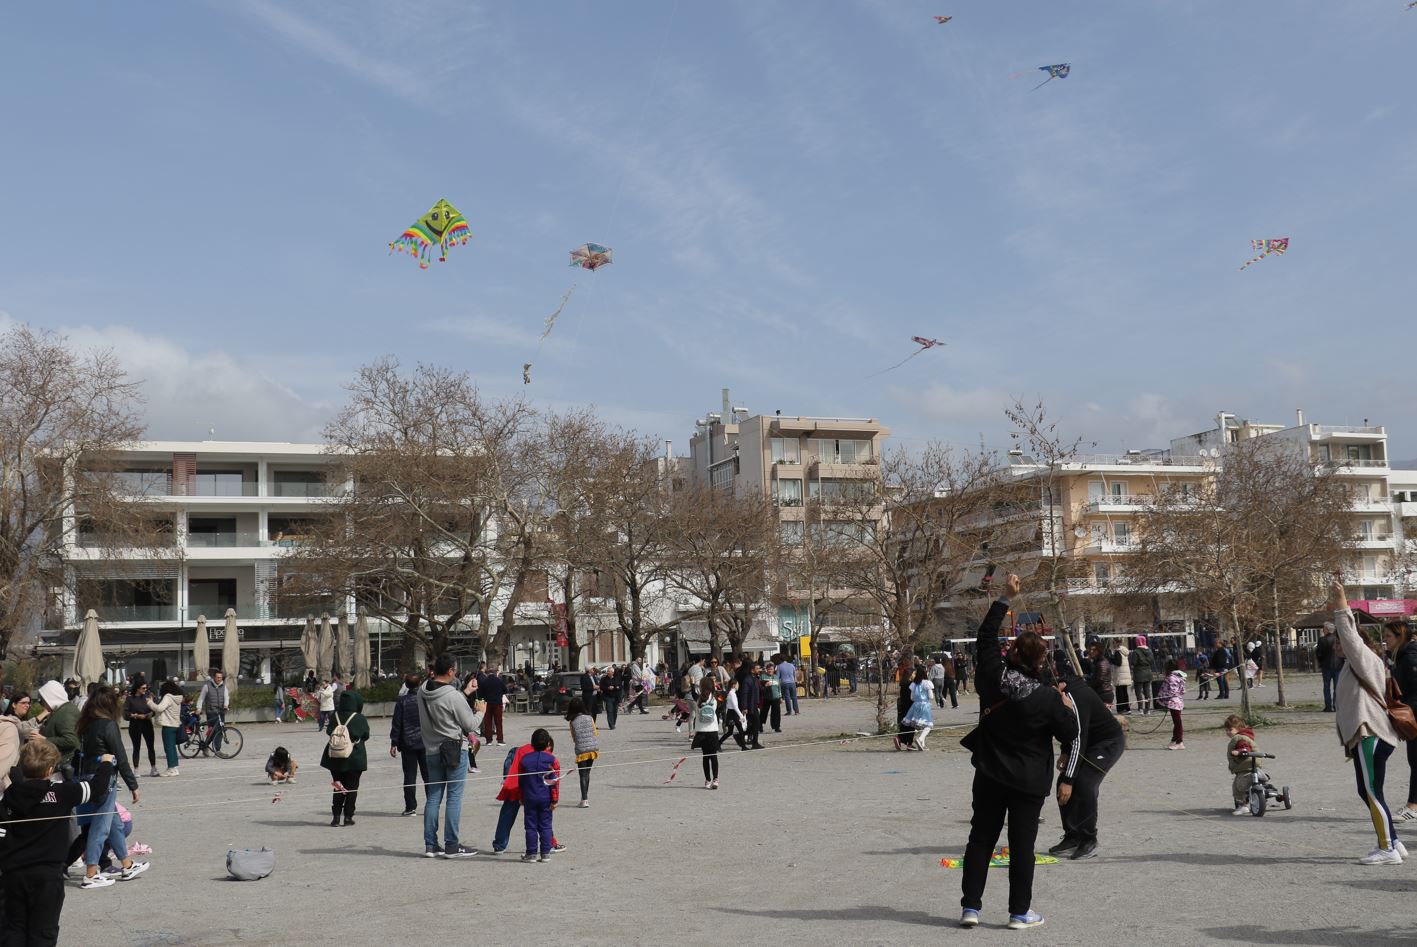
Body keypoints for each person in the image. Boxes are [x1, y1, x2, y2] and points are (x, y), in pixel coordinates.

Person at [958, 574, 1079, 931]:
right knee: (1022, 846)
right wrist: (1065, 707)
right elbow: (1072, 734)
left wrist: (1005, 598)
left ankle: (971, 907)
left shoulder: (992, 676)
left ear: (1011, 653)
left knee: (981, 839)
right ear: (1040, 662)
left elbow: (985, 638)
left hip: (990, 773)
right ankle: (1018, 913)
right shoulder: (1047, 699)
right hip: (1028, 779)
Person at [2, 740, 116, 940]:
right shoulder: (62, 793)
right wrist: (106, 763)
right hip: (47, 875)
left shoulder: (9, 797)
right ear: (49, 770)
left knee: (13, 929)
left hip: (14, 874)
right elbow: (97, 787)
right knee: (44, 931)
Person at [1329, 580, 1405, 864]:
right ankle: (1394, 842)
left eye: (1340, 641)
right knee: (1369, 790)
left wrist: (1341, 602)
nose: (1337, 645)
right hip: (1367, 735)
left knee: (1371, 792)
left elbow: (1348, 633)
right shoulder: (1355, 664)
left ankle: (1387, 849)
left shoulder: (1361, 657)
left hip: (1370, 734)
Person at [1046, 670, 1124, 861]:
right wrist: (1065, 751)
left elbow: (1078, 738)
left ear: (1058, 686)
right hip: (1087, 743)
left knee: (1083, 783)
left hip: (1107, 742)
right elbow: (1068, 728)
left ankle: (1089, 839)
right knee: (1062, 784)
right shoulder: (1060, 696)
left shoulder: (1076, 696)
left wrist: (1069, 780)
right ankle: (1072, 836)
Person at [73, 686, 147, 888]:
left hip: (86, 778)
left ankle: (127, 864)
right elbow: (120, 757)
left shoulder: (85, 725)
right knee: (101, 826)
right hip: (104, 779)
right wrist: (133, 785)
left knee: (114, 823)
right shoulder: (108, 725)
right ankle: (91, 873)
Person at [415, 654, 481, 858]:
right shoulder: (453, 695)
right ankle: (452, 844)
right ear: (451, 671)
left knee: (433, 797)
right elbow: (470, 724)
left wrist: (465, 692)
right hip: (453, 749)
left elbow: (443, 700)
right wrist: (481, 711)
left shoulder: (422, 690)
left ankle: (430, 845)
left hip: (431, 749)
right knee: (454, 797)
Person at [1382, 619, 1417, 823]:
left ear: (1400, 636)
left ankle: (1413, 806)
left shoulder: (1410, 658)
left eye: (1388, 636)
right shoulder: (1401, 656)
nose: (1385, 640)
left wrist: (1404, 712)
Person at [320, 690, 369, 827]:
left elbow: (329, 731)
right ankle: (348, 816)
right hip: (355, 756)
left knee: (338, 786)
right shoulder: (359, 718)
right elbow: (366, 735)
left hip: (335, 756)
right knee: (352, 787)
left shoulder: (335, 715)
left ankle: (336, 817)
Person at [517, 728, 559, 862]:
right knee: (546, 825)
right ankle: (545, 853)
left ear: (532, 743)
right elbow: (554, 782)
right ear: (548, 744)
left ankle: (531, 853)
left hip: (529, 797)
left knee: (530, 826)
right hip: (545, 797)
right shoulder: (551, 760)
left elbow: (521, 781)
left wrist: (521, 797)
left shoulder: (524, 760)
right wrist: (555, 800)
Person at [390, 672, 428, 817]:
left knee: (410, 776)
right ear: (420, 684)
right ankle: (432, 804)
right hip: (425, 741)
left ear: (406, 684)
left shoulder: (402, 701)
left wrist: (394, 742)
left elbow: (396, 723)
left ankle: (410, 807)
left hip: (408, 742)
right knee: (428, 775)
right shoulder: (425, 699)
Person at [37, 681, 80, 774]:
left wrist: (45, 739)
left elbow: (71, 740)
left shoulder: (66, 712)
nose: (42, 703)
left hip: (63, 767)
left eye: (43, 700)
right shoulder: (60, 710)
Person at [1222, 715, 1259, 815]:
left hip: (1245, 767)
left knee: (1237, 787)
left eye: (1230, 729)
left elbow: (1245, 748)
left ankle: (1242, 806)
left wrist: (1238, 752)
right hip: (1252, 765)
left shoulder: (1240, 738)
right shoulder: (1246, 736)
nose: (1228, 732)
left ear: (1239, 728)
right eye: (1226, 730)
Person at [122, 681, 158, 778]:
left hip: (147, 723)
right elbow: (125, 713)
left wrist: (149, 714)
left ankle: (153, 768)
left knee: (151, 746)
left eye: (146, 688)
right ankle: (136, 769)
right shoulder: (130, 699)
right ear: (137, 688)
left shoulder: (147, 698)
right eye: (143, 688)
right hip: (135, 724)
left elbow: (154, 710)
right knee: (136, 747)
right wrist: (135, 715)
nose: (145, 690)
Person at [147, 680, 184, 777]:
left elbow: (159, 708)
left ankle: (171, 769)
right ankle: (174, 768)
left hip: (168, 725)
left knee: (168, 748)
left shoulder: (168, 697)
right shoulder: (177, 698)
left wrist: (150, 702)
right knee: (172, 747)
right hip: (175, 725)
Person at [567, 697, 598, 807]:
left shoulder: (573, 722)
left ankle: (584, 799)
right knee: (587, 773)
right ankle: (585, 797)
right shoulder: (590, 718)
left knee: (582, 775)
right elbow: (595, 732)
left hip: (581, 750)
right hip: (593, 748)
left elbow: (574, 737)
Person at [691, 678, 721, 789]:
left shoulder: (698, 700)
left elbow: (697, 712)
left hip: (702, 731)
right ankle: (716, 779)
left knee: (705, 756)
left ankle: (707, 780)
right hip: (712, 730)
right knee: (713, 756)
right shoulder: (714, 699)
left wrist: (693, 684)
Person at [195, 670, 229, 754]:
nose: (219, 679)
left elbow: (226, 697)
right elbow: (201, 698)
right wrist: (199, 708)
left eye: (221, 677)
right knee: (213, 731)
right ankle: (208, 747)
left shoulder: (224, 686)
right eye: (218, 677)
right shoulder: (207, 686)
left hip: (221, 712)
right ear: (214, 677)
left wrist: (226, 705)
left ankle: (216, 749)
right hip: (211, 712)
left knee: (220, 731)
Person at [1157, 660, 1186, 750]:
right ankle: (1174, 740)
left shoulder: (1171, 678)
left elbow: (1172, 692)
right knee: (1176, 722)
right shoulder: (1179, 676)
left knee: (1178, 723)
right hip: (1177, 702)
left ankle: (1179, 742)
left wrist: (1162, 697)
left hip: (1174, 703)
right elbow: (1182, 690)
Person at [905, 667, 934, 750]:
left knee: (922, 725)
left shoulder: (914, 683)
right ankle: (920, 739)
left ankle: (922, 744)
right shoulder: (927, 683)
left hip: (915, 705)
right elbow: (931, 697)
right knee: (928, 725)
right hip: (925, 705)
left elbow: (912, 697)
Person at [1316, 622, 1342, 713]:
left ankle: (1328, 706)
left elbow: (1319, 653)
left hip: (1326, 666)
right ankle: (1335, 705)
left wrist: (1321, 662)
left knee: (1326, 686)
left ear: (1327, 629)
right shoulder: (1338, 639)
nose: (1323, 630)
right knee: (1337, 687)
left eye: (1324, 628)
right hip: (1338, 665)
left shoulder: (1322, 640)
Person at [718, 678, 748, 751]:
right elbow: (735, 706)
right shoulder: (732, 694)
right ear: (734, 685)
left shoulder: (731, 693)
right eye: (737, 684)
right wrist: (741, 716)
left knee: (730, 732)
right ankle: (743, 746)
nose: (738, 686)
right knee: (740, 730)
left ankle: (718, 743)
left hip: (731, 713)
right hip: (733, 714)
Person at [1085, 640, 1115, 711]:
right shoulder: (1097, 662)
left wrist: (1086, 684)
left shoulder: (1102, 663)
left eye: (1094, 650)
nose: (1091, 651)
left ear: (1099, 650)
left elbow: (1100, 680)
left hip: (1103, 694)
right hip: (1100, 693)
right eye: (1090, 649)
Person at [480, 668, 507, 745]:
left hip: (487, 703)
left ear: (487, 673)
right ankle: (500, 740)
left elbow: (481, 694)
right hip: (497, 703)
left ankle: (489, 740)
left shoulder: (484, 682)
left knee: (488, 722)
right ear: (494, 673)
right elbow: (505, 690)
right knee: (498, 722)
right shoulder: (499, 681)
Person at [1129, 637, 1154, 713]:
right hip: (1148, 673)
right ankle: (1147, 709)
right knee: (1147, 692)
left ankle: (1140, 709)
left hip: (1139, 674)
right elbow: (1152, 661)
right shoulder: (1149, 650)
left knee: (1138, 692)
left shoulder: (1136, 651)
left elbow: (1133, 662)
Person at [1111, 637, 1132, 714]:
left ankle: (1121, 709)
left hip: (1120, 675)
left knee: (1119, 694)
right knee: (1125, 692)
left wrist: (1111, 659)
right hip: (1125, 675)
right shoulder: (1124, 651)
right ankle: (1127, 708)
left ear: (1116, 643)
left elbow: (1118, 663)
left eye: (1113, 643)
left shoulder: (1117, 652)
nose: (1113, 644)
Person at [598, 665, 620, 731]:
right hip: (608, 697)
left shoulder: (616, 678)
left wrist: (615, 688)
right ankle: (611, 725)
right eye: (607, 671)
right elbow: (601, 687)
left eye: (609, 671)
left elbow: (620, 687)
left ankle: (613, 723)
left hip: (616, 697)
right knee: (609, 711)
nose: (608, 672)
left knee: (615, 711)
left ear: (612, 673)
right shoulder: (603, 679)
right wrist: (608, 688)